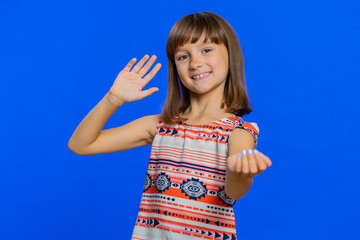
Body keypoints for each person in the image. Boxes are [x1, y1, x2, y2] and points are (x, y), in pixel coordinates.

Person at [68, 11, 272, 240]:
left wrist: (240, 171)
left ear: (230, 54)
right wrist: (112, 100)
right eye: (183, 56)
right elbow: (81, 145)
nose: (195, 63)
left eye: (206, 50)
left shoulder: (238, 132)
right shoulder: (160, 126)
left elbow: (235, 191)